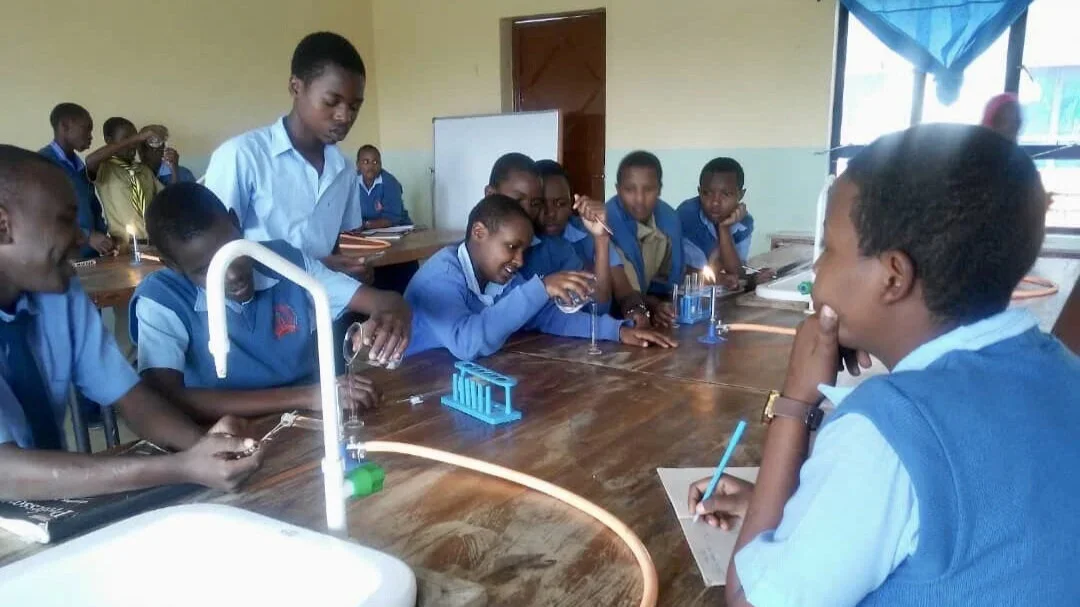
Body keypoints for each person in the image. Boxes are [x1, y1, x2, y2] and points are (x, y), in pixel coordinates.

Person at [688, 124, 1080, 606]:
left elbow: (751, 600)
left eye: (828, 249)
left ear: (893, 277)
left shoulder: (888, 431)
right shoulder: (1062, 366)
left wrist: (795, 401)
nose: (816, 272)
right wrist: (796, 511)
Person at [0, 145, 263, 501]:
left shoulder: (59, 294)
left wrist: (208, 449)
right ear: (3, 227)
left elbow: (131, 398)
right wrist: (181, 467)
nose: (81, 237)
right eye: (65, 220)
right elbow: (6, 473)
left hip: (42, 508)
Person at [130, 183, 409, 423]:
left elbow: (384, 302)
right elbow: (166, 398)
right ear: (172, 265)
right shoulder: (161, 299)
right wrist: (306, 396)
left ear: (235, 222)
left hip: (311, 417)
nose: (233, 274)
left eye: (232, 251)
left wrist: (391, 317)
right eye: (206, 270)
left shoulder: (285, 261)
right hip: (218, 430)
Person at [403, 194, 677, 361]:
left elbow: (546, 316)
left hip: (450, 377)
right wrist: (541, 287)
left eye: (524, 249)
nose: (520, 260)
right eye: (512, 247)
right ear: (478, 232)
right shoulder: (441, 276)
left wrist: (617, 331)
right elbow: (467, 343)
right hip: (408, 384)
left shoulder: (497, 274)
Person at [203, 32, 369, 280]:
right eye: (332, 101)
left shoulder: (344, 170)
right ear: (296, 87)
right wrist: (310, 268)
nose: (344, 116)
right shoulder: (242, 157)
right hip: (255, 309)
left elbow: (336, 246)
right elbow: (217, 258)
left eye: (354, 106)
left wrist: (348, 270)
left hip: (320, 307)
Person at [484, 153, 615, 311]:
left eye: (534, 203)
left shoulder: (557, 250)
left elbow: (597, 306)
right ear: (490, 195)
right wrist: (541, 288)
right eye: (517, 201)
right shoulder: (474, 251)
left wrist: (601, 238)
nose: (525, 210)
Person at [535, 159, 649, 324]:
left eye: (560, 203)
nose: (550, 213)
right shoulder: (522, 243)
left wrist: (638, 313)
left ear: (573, 203)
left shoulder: (587, 230)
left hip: (594, 335)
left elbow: (619, 296)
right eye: (541, 204)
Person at [605, 151, 683, 327]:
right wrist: (654, 306)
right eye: (629, 190)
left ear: (659, 189)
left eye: (648, 189)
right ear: (618, 190)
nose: (639, 199)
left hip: (649, 314)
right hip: (612, 320)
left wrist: (663, 307)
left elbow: (668, 280)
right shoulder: (606, 224)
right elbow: (622, 294)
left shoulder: (669, 221)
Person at [38, 103, 113, 259]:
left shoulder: (79, 167)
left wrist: (102, 236)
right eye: (87, 129)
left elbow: (93, 206)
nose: (91, 136)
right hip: (64, 259)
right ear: (65, 126)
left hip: (91, 255)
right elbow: (44, 214)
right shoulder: (43, 163)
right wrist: (87, 236)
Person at [677, 157, 763, 289]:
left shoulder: (744, 223)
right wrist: (715, 278)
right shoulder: (686, 216)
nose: (715, 202)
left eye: (726, 194)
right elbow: (674, 271)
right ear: (699, 192)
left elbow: (735, 272)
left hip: (716, 296)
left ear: (740, 195)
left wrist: (724, 228)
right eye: (707, 193)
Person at [86, 117, 167, 241]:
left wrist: (173, 168)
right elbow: (90, 160)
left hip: (154, 241)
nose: (133, 144)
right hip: (124, 245)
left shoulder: (143, 170)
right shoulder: (104, 169)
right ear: (109, 141)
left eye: (135, 138)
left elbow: (165, 198)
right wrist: (137, 138)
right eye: (127, 138)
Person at [355, 144, 410, 229]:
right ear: (358, 165)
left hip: (397, 229)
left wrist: (365, 225)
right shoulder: (352, 182)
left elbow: (393, 218)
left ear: (381, 164)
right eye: (366, 162)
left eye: (375, 162)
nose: (371, 166)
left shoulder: (390, 183)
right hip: (365, 232)